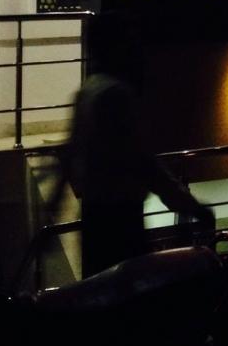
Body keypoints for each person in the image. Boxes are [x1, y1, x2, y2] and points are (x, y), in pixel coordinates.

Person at [56, 15, 215, 277]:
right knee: (132, 284)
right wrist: (187, 204)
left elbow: (71, 149)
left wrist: (54, 203)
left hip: (95, 213)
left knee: (101, 285)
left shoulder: (88, 90)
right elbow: (142, 161)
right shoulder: (116, 95)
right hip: (121, 215)